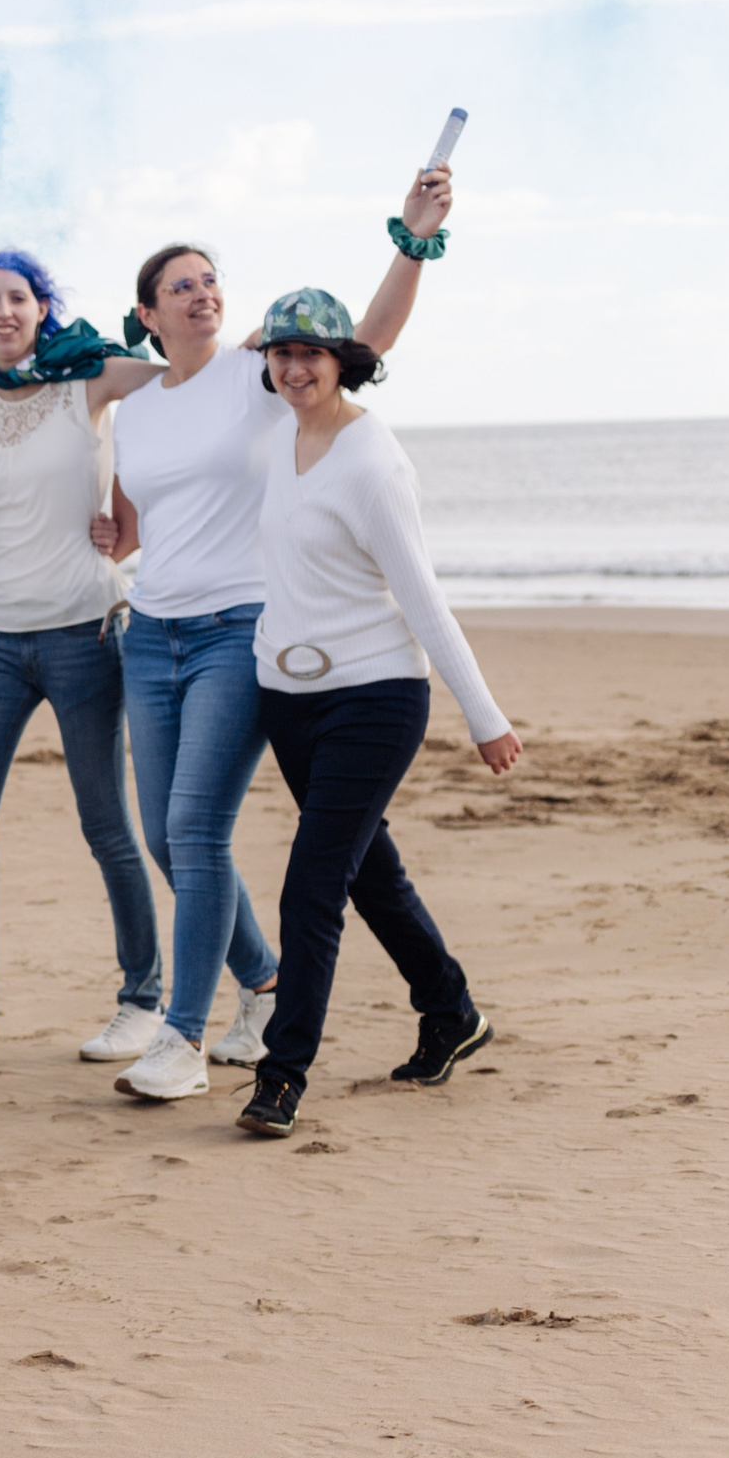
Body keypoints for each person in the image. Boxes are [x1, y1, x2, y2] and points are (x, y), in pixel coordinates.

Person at [98, 167, 457, 1101]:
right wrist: (102, 535)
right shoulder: (137, 408)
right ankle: (262, 982)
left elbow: (367, 336)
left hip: (239, 632)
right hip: (152, 633)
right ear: (148, 313)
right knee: (165, 837)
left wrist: (413, 239)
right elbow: (134, 525)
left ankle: (182, 1038)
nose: (203, 293)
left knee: (195, 829)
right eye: (181, 285)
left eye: (210, 279)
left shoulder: (258, 372)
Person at [235, 288, 518, 1138]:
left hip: (376, 695)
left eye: (311, 354)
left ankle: (282, 1075)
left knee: (312, 885)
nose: (294, 368)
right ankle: (450, 1010)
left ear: (345, 361)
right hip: (288, 700)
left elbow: (421, 595)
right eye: (281, 353)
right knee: (369, 874)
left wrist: (484, 715)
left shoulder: (373, 463)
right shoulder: (276, 439)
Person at [0, 251, 164, 1075]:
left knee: (106, 824)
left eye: (19, 297)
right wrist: (7, 547)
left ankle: (143, 1002)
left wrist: (126, 522)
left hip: (87, 632)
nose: (4, 311)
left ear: (42, 307)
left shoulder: (90, 381)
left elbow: (179, 386)